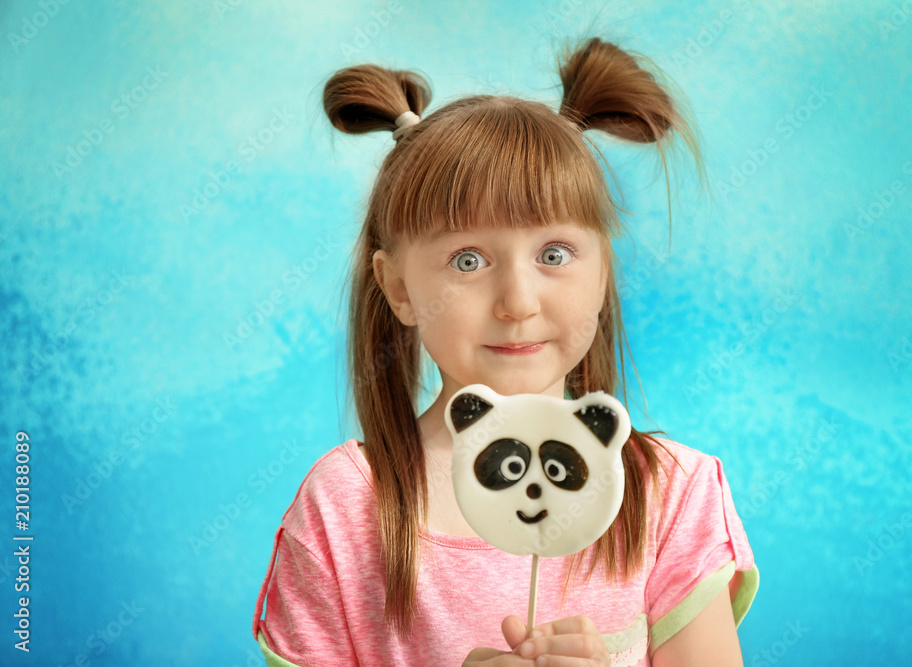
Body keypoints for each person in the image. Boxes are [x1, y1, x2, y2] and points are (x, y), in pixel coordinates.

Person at [252, 37, 758, 666]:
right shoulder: (346, 507)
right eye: (469, 260)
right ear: (398, 289)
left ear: (602, 271)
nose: (517, 301)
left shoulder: (669, 494)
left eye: (554, 254)